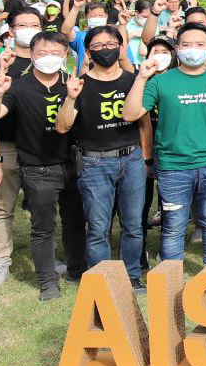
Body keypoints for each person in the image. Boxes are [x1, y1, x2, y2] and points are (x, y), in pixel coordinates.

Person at [0, 31, 86, 301]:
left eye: (55, 53)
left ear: (65, 55)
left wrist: (72, 97)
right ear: (32, 55)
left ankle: (77, 270)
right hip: (37, 167)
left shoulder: (72, 83)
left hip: (71, 163)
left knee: (75, 221)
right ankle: (47, 283)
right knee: (43, 227)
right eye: (42, 53)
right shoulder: (18, 86)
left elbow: (66, 126)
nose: (48, 58)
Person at [123, 22, 206, 267]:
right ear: (177, 48)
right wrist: (142, 77)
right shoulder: (160, 82)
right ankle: (170, 282)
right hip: (173, 167)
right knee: (174, 225)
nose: (192, 49)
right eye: (186, 44)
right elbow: (130, 114)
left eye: (199, 44)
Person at [54, 25, 151, 290]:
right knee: (98, 227)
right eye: (97, 46)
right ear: (88, 50)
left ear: (121, 48)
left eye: (110, 45)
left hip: (130, 159)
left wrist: (145, 158)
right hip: (95, 162)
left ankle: (132, 274)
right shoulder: (79, 85)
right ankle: (102, 281)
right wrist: (71, 98)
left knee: (133, 224)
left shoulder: (133, 80)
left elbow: (144, 123)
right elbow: (62, 126)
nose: (104, 50)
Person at [0, 8, 40, 288]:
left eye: (34, 24)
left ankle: (43, 257)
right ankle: (1, 260)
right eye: (23, 24)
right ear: (11, 29)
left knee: (42, 208)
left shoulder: (51, 61)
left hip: (39, 148)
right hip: (6, 147)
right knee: (2, 208)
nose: (29, 29)